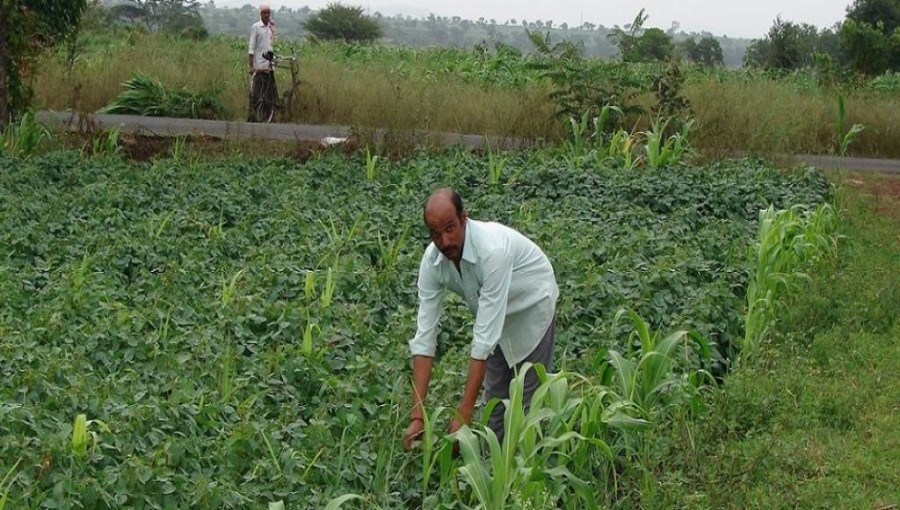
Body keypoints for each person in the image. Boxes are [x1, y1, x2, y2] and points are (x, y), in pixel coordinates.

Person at [403, 187, 559, 450]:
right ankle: (492, 472)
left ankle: (529, 473)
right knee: (495, 407)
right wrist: (417, 416)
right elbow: (425, 337)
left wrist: (464, 413)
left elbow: (484, 339)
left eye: (450, 228)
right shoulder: (432, 262)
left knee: (528, 407)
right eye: (435, 234)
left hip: (532, 307)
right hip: (496, 317)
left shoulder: (491, 251)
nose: (445, 241)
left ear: (464, 217)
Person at [247, 3, 276, 122]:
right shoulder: (256, 27)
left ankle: (267, 117)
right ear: (260, 14)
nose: (266, 15)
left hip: (268, 66)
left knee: (269, 95)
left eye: (268, 12)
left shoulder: (270, 28)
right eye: (264, 13)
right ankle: (254, 118)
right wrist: (251, 65)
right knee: (257, 95)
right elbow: (251, 47)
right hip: (259, 66)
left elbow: (271, 46)